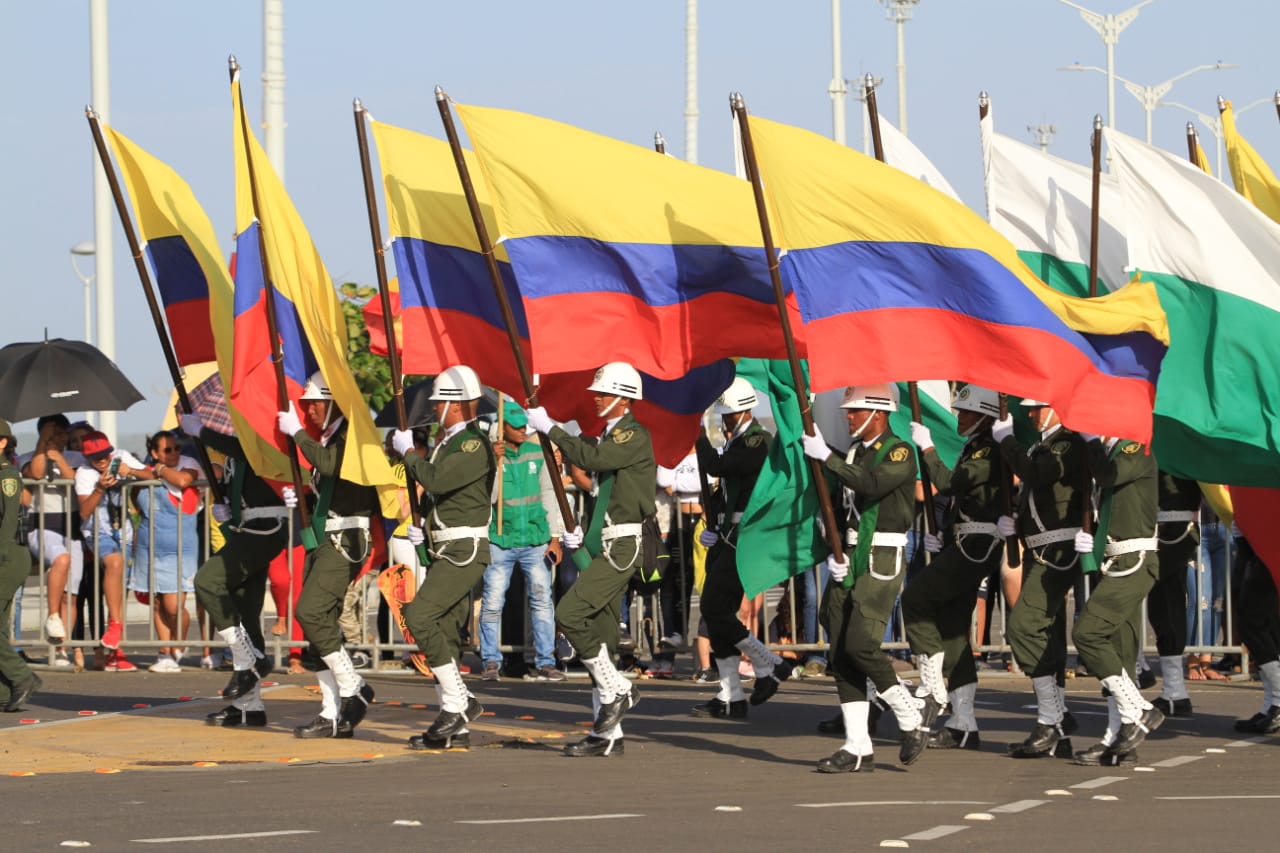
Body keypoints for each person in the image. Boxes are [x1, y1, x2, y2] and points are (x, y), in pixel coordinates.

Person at [526, 362, 656, 757]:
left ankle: (619, 690)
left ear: (623, 399)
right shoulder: (611, 435)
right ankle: (607, 733)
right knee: (599, 636)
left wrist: (552, 429)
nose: (596, 398)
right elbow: (605, 494)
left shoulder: (632, 434)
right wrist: (582, 533)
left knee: (570, 614)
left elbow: (593, 460)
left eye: (604, 392)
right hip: (604, 542)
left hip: (623, 546)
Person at [801, 384, 931, 772]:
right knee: (840, 648)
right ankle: (857, 745)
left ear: (878, 413)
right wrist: (835, 550)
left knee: (860, 643)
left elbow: (872, 484)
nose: (848, 416)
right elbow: (846, 505)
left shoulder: (899, 451)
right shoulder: (856, 452)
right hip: (853, 554)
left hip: (881, 556)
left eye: (855, 411)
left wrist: (828, 457)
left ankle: (909, 713)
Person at [392, 366, 497, 750]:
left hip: (464, 551)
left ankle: (460, 702)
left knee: (420, 617)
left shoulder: (471, 444)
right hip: (445, 547)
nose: (434, 408)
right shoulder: (447, 443)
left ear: (457, 405)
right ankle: (454, 724)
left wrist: (408, 453)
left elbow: (437, 480)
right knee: (447, 635)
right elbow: (439, 495)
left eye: (439, 402)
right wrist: (424, 524)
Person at [903, 384, 1005, 751]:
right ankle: (963, 723)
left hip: (976, 546)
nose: (959, 417)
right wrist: (944, 533)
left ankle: (933, 689)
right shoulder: (974, 446)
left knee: (915, 600)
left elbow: (948, 483)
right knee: (952, 632)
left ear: (984, 415)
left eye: (966, 412)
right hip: (962, 541)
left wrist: (928, 448)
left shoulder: (989, 449)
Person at [277, 371, 377, 738]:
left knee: (310, 611)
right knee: (317, 629)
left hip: (344, 538)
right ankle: (331, 711)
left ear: (334, 401)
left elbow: (333, 464)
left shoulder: (351, 433)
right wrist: (304, 496)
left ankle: (353, 686)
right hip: (324, 537)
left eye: (315, 403)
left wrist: (297, 434)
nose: (309, 410)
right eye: (307, 405)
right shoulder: (331, 436)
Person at [993, 399, 1087, 758]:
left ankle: (1054, 717)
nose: (1030, 414)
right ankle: (1056, 732)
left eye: (1037, 408)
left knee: (1023, 627)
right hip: (1039, 547)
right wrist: (1016, 523)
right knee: (1048, 638)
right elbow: (1038, 495)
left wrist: (1007, 442)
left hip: (1057, 549)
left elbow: (1038, 475)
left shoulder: (1067, 443)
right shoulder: (1042, 444)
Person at [185, 410, 291, 727]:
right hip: (247, 528)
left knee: (207, 581)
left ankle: (250, 659)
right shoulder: (234, 448)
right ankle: (249, 705)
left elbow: (247, 452)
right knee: (246, 615)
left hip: (265, 529)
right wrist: (227, 509)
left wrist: (203, 433)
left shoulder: (257, 439)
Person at [691, 375, 782, 719]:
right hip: (728, 533)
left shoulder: (758, 441)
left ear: (744, 411)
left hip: (746, 536)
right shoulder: (738, 441)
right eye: (723, 416)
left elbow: (719, 467)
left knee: (714, 606)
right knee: (718, 614)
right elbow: (727, 488)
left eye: (729, 415)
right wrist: (713, 524)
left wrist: (697, 435)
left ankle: (767, 663)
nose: (725, 421)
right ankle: (731, 695)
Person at [1070, 434, 1164, 764]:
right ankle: (1118, 737)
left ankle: (1139, 709)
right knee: (1120, 656)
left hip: (1133, 561)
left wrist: (1092, 443)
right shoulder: (1112, 451)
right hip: (1114, 560)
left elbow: (1110, 476)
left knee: (1087, 634)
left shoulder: (1135, 447)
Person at [479, 401, 563, 683]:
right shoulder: (489, 455)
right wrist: (493, 463)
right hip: (500, 540)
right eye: (515, 426)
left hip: (536, 539)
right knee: (492, 603)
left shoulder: (537, 452)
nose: (522, 430)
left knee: (542, 601)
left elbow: (549, 492)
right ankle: (490, 661)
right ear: (501, 428)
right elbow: (489, 497)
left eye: (523, 425)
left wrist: (555, 537)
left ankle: (546, 662)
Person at [75, 429, 161, 672]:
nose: (102, 461)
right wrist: (99, 489)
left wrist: (130, 471)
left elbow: (152, 476)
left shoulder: (121, 457)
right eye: (96, 458)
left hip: (125, 531)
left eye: (105, 455)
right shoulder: (84, 473)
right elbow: (83, 512)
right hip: (98, 532)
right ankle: (114, 625)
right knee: (115, 563)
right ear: (87, 458)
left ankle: (115, 651)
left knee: (120, 590)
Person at [129, 431, 203, 672]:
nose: (174, 453)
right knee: (157, 602)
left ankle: (178, 643)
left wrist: (158, 469)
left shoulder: (188, 464)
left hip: (180, 547)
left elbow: (183, 480)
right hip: (149, 545)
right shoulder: (147, 473)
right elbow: (136, 497)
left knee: (173, 605)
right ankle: (164, 652)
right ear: (154, 452)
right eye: (167, 450)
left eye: (176, 448)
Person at [19, 414, 85, 668]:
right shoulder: (28, 458)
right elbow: (35, 475)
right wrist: (42, 447)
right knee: (61, 559)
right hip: (42, 525)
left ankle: (61, 648)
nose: (58, 438)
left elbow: (73, 482)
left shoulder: (75, 458)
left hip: (71, 527)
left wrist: (57, 457)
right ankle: (53, 616)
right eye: (52, 433)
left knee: (71, 594)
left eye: (61, 433)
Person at [1147, 472, 1201, 715]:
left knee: (1165, 606)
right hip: (1160, 527)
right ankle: (1174, 692)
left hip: (1174, 528)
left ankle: (1169, 688)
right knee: (1163, 606)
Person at [1, 418, 41, 711]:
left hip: (8, 555)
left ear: (3, 443)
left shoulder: (8, 475)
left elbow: (7, 523)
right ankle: (5, 691)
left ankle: (22, 677)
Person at [1231, 533, 1280, 734]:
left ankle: (1277, 700)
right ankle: (1271, 704)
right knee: (1266, 625)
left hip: (1266, 542)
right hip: (1250, 543)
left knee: (1253, 623)